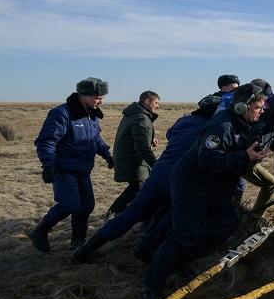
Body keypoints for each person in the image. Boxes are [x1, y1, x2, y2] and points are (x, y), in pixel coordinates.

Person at [142, 71, 274, 299]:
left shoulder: (260, 111)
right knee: (183, 235)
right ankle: (152, 283)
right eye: (258, 108)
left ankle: (179, 259)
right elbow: (208, 161)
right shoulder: (221, 127)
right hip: (193, 185)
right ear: (243, 108)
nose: (263, 111)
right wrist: (244, 157)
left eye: (263, 106)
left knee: (225, 224)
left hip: (219, 185)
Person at [72, 95, 221, 264]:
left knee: (131, 215)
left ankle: (86, 250)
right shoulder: (213, 128)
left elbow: (171, 134)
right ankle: (147, 250)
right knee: (173, 215)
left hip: (158, 174)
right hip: (181, 181)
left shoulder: (183, 121)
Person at [30, 77, 114, 252]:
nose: (101, 101)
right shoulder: (62, 114)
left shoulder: (91, 114)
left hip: (83, 169)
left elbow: (95, 138)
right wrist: (48, 165)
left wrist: (107, 154)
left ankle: (78, 241)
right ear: (82, 95)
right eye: (97, 97)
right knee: (69, 204)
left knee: (87, 205)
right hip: (63, 169)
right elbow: (46, 142)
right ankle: (40, 231)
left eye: (102, 97)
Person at [106, 91, 161, 217]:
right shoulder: (141, 117)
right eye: (156, 103)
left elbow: (136, 135)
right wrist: (157, 165)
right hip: (132, 160)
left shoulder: (134, 114)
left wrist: (150, 138)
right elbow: (142, 148)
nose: (157, 106)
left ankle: (118, 213)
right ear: (147, 101)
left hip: (127, 157)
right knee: (138, 187)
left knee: (138, 187)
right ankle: (113, 213)